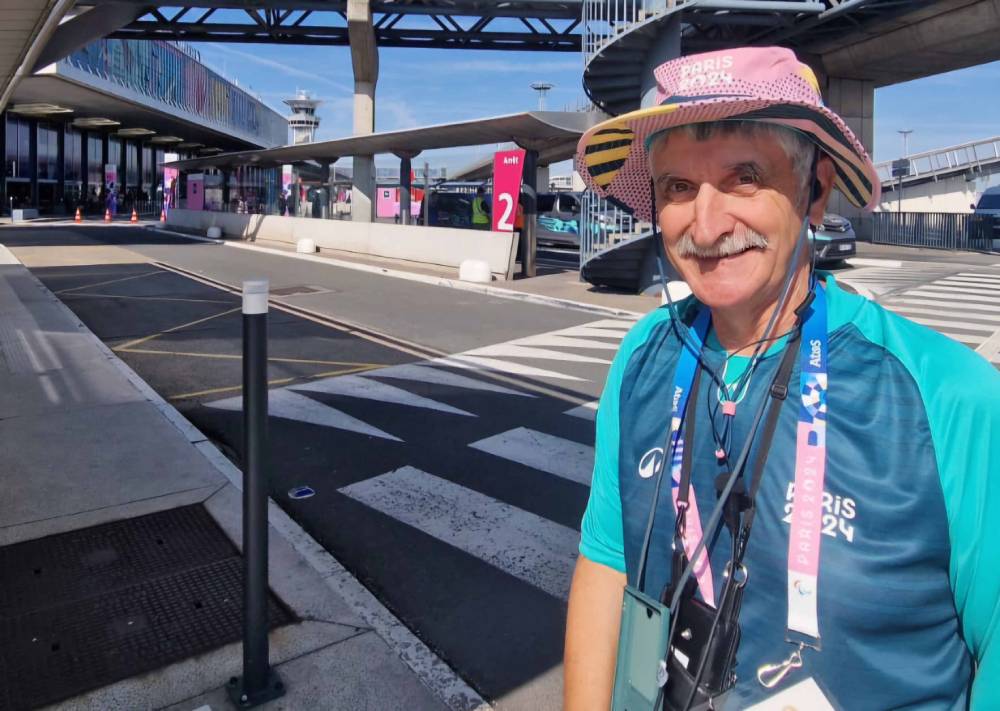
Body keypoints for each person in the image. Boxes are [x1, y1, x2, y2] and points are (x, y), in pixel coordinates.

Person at [565, 46, 999, 711]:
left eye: (744, 176)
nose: (706, 224)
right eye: (679, 187)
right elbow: (606, 562)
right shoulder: (644, 356)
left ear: (815, 188)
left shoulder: (947, 395)